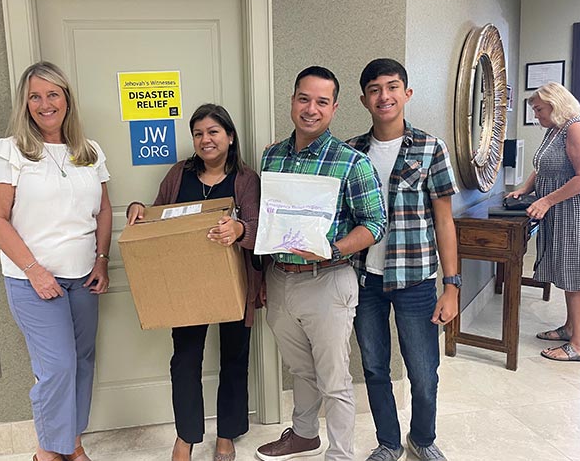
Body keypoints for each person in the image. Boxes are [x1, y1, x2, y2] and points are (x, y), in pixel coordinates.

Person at [0, 61, 112, 461]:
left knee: (82, 363)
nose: (44, 103)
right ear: (25, 103)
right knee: (57, 367)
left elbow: (104, 211)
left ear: (66, 99)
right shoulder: (10, 151)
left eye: (52, 94)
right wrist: (34, 271)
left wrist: (102, 260)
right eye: (35, 96)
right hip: (33, 281)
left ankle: (70, 444)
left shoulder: (89, 152)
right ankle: (48, 453)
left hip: (83, 278)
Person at [255, 66, 387, 461]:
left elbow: (376, 223)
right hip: (280, 279)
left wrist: (333, 248)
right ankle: (304, 435)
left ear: (334, 108)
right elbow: (267, 216)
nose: (311, 109)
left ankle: (341, 454)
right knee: (300, 370)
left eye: (321, 102)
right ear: (293, 100)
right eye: (303, 99)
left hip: (327, 281)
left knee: (334, 380)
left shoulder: (352, 162)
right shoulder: (272, 155)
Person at [126, 103, 262, 461]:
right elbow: (156, 219)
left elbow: (260, 228)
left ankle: (227, 435)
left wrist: (240, 229)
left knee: (234, 358)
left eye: (214, 132)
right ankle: (186, 437)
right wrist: (139, 209)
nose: (206, 140)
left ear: (230, 137)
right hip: (184, 286)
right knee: (184, 360)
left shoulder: (246, 180)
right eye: (199, 133)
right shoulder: (178, 175)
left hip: (235, 285)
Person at [347, 58, 460, 461]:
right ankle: (389, 443)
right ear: (364, 99)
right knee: (375, 368)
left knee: (423, 372)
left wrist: (452, 285)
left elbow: (444, 221)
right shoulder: (351, 151)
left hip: (415, 281)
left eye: (393, 87)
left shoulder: (430, 148)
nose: (385, 96)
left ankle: (423, 438)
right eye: (375, 89)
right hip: (364, 281)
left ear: (406, 94)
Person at [506, 82, 580, 363]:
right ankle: (570, 328)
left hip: (573, 210)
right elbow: (541, 167)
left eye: (539, 110)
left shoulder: (575, 127)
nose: (536, 116)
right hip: (557, 207)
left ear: (555, 103)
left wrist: (547, 201)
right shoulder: (554, 130)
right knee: (566, 271)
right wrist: (525, 190)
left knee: (575, 275)